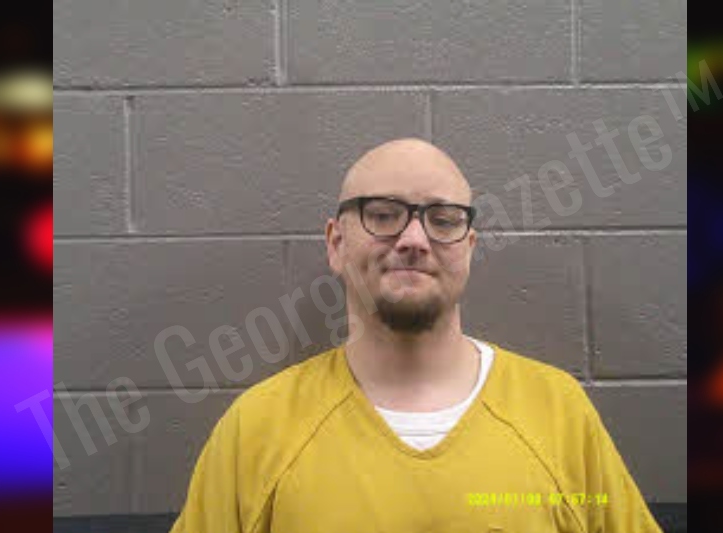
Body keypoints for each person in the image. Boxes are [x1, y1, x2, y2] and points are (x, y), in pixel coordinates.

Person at [170, 138, 663, 532]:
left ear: (468, 248)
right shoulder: (258, 427)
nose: (414, 239)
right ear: (336, 243)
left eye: (443, 220)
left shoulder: (558, 411)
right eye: (383, 215)